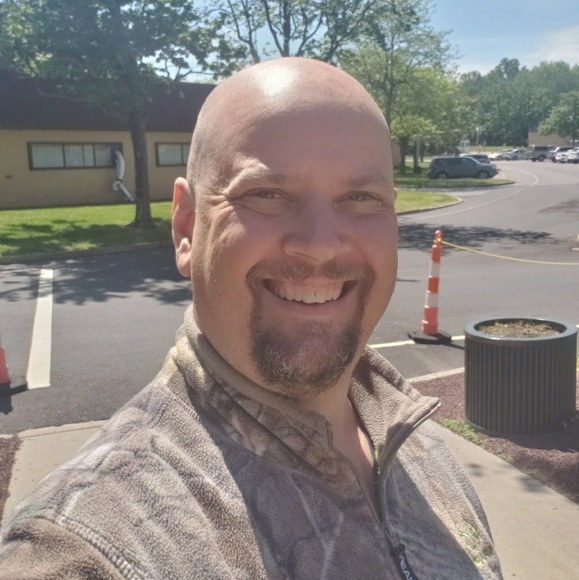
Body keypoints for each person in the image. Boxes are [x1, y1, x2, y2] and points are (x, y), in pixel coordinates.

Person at [0, 58, 502, 579]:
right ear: (187, 227)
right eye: (266, 194)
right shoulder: (84, 550)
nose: (320, 245)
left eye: (361, 197)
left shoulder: (417, 441)